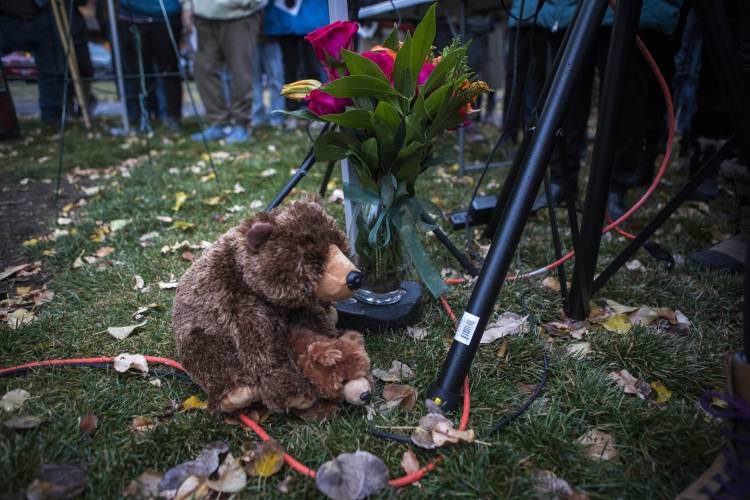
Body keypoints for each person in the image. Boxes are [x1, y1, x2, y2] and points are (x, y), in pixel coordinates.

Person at [182, 0, 266, 144]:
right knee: (203, 69)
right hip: (202, 15)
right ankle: (218, 122)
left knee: (241, 71)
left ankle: (242, 124)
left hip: (240, 15)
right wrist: (188, 5)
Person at [0, 0, 91, 125]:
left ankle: (54, 118)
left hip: (43, 13)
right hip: (6, 16)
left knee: (52, 70)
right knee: (52, 68)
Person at [117, 0, 183, 132]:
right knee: (139, 72)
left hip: (164, 16)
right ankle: (145, 116)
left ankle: (172, 117)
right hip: (132, 18)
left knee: (169, 71)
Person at [263, 0, 328, 127]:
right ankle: (292, 113)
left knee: (313, 69)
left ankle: (316, 112)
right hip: (284, 20)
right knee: (290, 69)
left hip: (312, 16)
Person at [251, 4, 285, 129]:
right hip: (250, 35)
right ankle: (257, 116)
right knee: (253, 80)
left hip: (272, 33)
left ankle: (277, 116)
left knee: (276, 78)